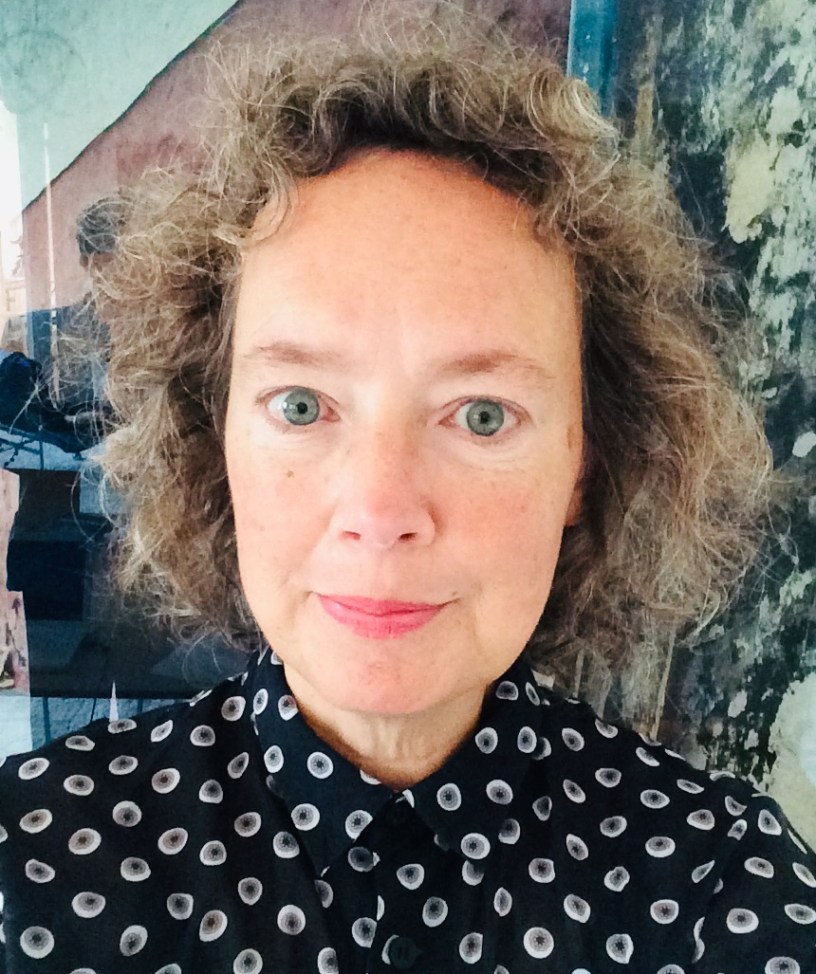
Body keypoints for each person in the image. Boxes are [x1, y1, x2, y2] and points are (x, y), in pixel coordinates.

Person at [1, 23, 814, 974]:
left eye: (481, 416)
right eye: (301, 405)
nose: (381, 510)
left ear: (583, 465)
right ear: (212, 441)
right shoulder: (30, 862)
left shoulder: (723, 889)